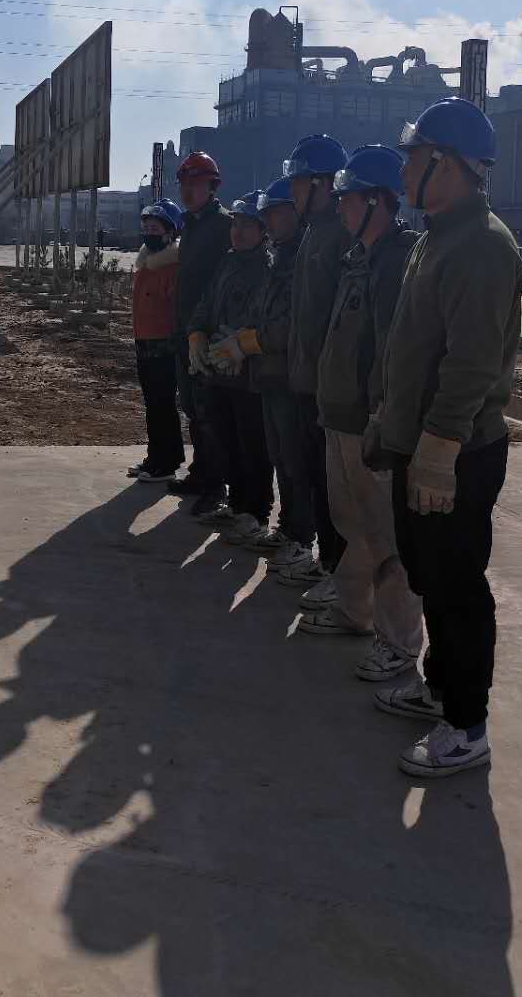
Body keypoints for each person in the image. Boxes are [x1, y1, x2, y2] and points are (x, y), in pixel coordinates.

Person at [372, 98, 522, 778]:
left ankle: (467, 725)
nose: (404, 171)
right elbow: (411, 349)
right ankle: (439, 689)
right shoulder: (435, 239)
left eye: (413, 159)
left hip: (456, 451)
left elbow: (471, 364)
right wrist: (391, 423)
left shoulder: (483, 246)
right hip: (422, 441)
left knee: (457, 586)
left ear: (448, 164)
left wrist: (436, 450)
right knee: (429, 575)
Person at [299, 146, 424, 682]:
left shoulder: (395, 263)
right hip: (339, 415)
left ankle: (398, 643)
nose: (341, 207)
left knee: (386, 538)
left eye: (349, 198)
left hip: (369, 422)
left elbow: (395, 351)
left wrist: (383, 416)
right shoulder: (357, 258)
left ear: (377, 201)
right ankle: (355, 611)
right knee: (353, 523)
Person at [208, 177, 316, 571]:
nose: (270, 221)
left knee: (296, 461)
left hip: (290, 376)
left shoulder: (301, 257)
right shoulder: (279, 258)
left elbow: (295, 323)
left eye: (275, 213)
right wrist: (238, 337)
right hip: (269, 375)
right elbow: (261, 311)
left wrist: (249, 341)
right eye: (266, 214)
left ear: (296, 213)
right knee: (281, 459)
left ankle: (301, 537)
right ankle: (287, 529)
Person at [276, 133, 352, 597]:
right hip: (306, 382)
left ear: (322, 184)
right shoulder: (314, 234)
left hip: (329, 387)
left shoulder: (340, 234)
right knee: (313, 478)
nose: (293, 191)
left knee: (333, 489)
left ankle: (339, 573)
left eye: (300, 182)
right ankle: (326, 561)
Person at [191, 193, 273, 540]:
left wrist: (239, 344)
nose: (238, 231)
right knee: (226, 440)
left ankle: (256, 512)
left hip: (248, 374)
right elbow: (207, 303)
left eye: (247, 225)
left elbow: (263, 318)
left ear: (263, 231)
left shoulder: (267, 267)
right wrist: (196, 333)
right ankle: (237, 505)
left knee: (252, 444)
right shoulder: (227, 262)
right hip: (218, 369)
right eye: (235, 224)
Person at [167, 152, 232, 518]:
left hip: (206, 333)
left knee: (210, 413)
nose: (188, 191)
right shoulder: (189, 224)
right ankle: (200, 472)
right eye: (185, 184)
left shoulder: (223, 225)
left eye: (196, 184)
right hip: (184, 331)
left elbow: (221, 282)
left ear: (212, 186)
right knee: (192, 408)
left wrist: (207, 330)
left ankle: (215, 485)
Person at [127, 199, 186, 484]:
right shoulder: (146, 265)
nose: (149, 233)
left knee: (163, 405)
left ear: (169, 233)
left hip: (164, 347)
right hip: (144, 344)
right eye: (147, 228)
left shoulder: (171, 268)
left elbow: (176, 309)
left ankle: (167, 462)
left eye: (155, 228)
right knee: (152, 405)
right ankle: (155, 457)